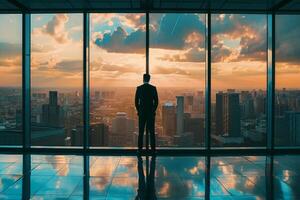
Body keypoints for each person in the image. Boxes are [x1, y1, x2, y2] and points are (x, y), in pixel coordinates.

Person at [135, 74, 158, 153]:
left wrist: (139, 110)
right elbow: (156, 101)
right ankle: (153, 150)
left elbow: (136, 102)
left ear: (143, 79)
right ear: (149, 79)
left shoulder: (139, 88)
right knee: (152, 132)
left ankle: (140, 149)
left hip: (142, 113)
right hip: (150, 113)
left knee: (141, 132)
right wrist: (153, 110)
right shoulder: (153, 88)